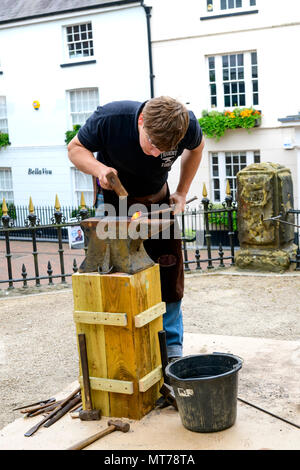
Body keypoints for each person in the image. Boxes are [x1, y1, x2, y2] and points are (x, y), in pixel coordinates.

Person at [68, 96, 204, 361]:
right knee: (114, 274)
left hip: (157, 202)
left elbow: (196, 149)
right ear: (141, 121)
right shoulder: (111, 119)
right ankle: (121, 346)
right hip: (114, 207)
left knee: (169, 272)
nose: (155, 154)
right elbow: (75, 149)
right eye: (152, 144)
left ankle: (171, 350)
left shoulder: (187, 124)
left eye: (164, 149)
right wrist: (99, 169)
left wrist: (182, 191)